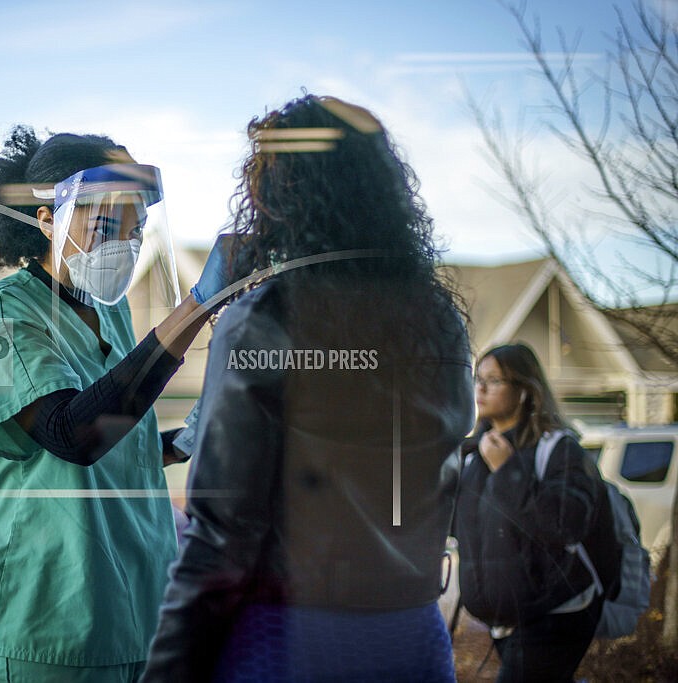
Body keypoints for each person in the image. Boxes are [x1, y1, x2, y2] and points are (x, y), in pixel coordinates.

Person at [140, 94, 475, 682]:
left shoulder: (266, 317)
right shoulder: (439, 320)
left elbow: (220, 534)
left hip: (291, 639)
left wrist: (168, 671)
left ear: (275, 196)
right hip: (414, 637)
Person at [0, 125, 235, 682]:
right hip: (49, 624)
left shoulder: (113, 314)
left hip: (137, 614)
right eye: (105, 224)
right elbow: (71, 436)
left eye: (135, 229)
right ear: (47, 220)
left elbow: (115, 449)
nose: (122, 246)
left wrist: (186, 440)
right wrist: (197, 305)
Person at [455, 343, 610, 682]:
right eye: (477, 379)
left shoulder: (558, 449)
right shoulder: (471, 454)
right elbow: (464, 529)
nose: (479, 389)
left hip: (556, 612)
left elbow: (564, 525)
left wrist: (508, 471)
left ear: (525, 391)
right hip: (507, 618)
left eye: (493, 380)